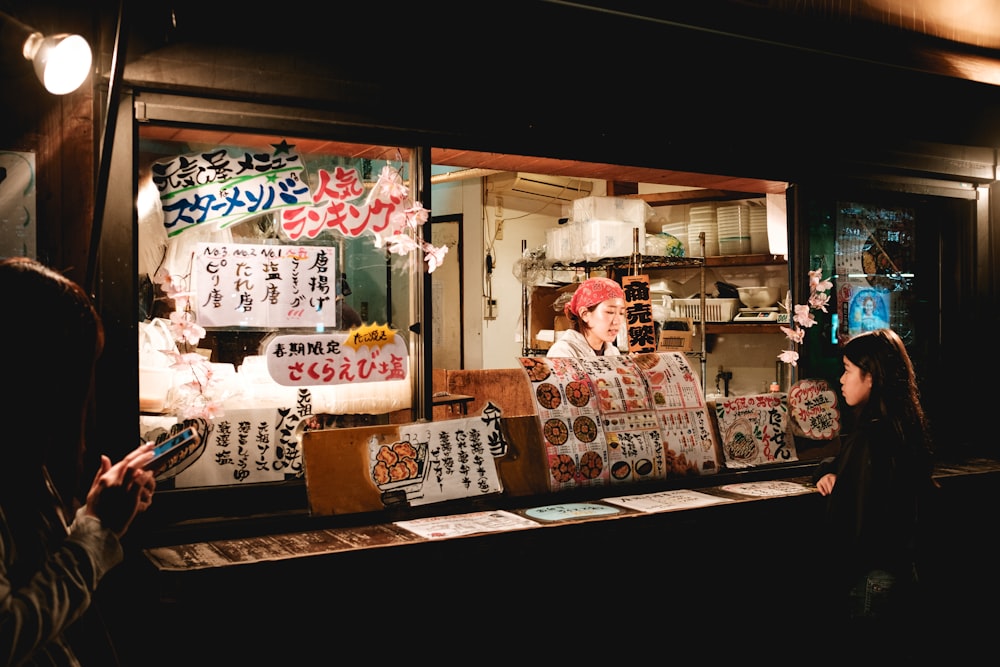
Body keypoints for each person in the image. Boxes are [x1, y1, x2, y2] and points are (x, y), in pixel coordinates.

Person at [0, 257, 157, 666]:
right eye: (74, 374)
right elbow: (7, 635)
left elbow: (26, 569)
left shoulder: (21, 457)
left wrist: (94, 518)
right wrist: (94, 533)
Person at [811, 328, 937, 646]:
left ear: (871, 377)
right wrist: (832, 472)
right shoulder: (905, 427)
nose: (841, 379)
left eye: (848, 370)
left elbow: (857, 526)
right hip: (905, 572)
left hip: (870, 579)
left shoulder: (870, 438)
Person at [547, 277, 626, 358]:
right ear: (584, 314)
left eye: (621, 313)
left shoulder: (613, 352)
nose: (617, 321)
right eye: (610, 312)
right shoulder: (562, 351)